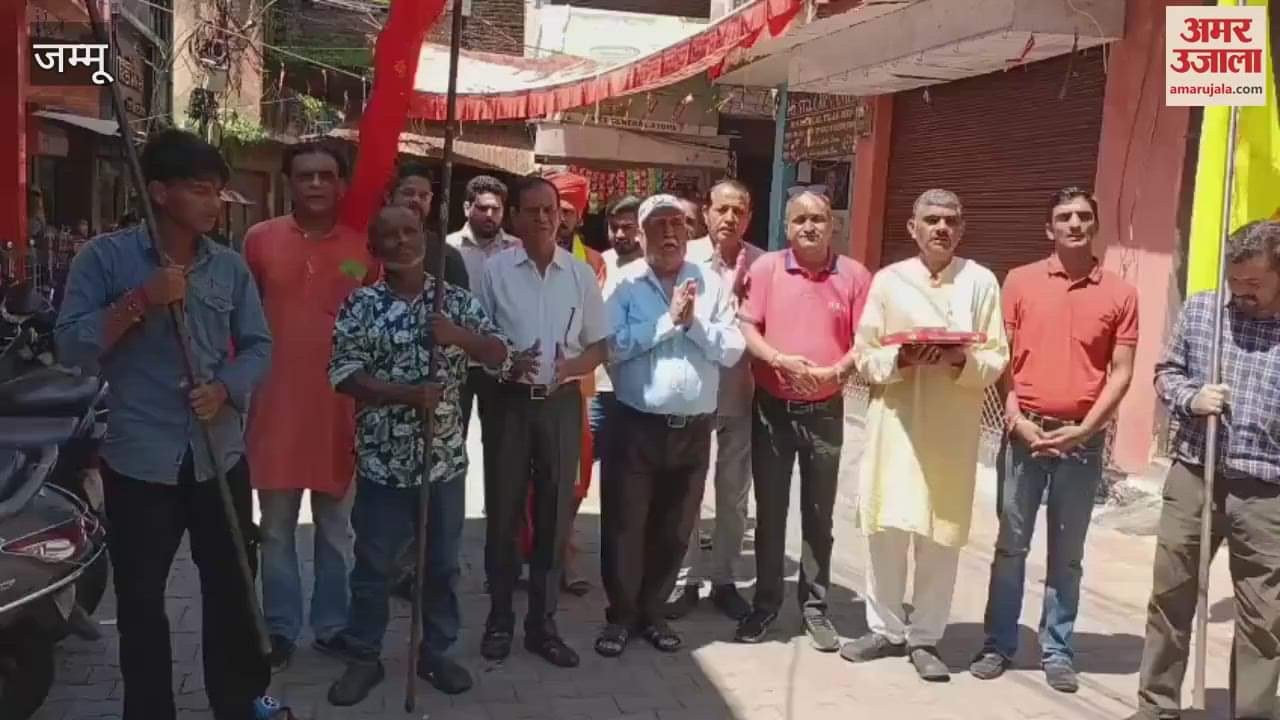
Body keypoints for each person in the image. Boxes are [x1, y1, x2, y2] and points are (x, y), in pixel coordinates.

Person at [54, 128, 277, 720]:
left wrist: (226, 387)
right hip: (140, 461)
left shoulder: (228, 268)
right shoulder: (104, 259)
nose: (213, 202)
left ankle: (237, 702)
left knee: (231, 589)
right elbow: (73, 349)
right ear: (158, 192)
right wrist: (139, 302)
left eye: (217, 191)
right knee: (142, 601)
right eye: (199, 190)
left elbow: (259, 346)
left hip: (218, 455)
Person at [323, 205, 510, 705]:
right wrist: (405, 394)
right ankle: (364, 656)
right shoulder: (360, 305)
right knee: (373, 566)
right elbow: (343, 374)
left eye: (410, 232)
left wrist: (458, 337)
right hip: (383, 465)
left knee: (443, 566)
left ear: (425, 241)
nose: (401, 241)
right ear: (375, 247)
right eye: (389, 234)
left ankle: (436, 653)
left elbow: (500, 355)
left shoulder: (455, 302)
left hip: (443, 463)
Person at [970, 189, 1138, 692]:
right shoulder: (1019, 281)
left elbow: (1123, 373)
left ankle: (1057, 649)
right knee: (1010, 547)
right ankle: (998, 643)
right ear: (1049, 229)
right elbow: (1002, 357)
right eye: (1064, 217)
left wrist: (1086, 430)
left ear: (1095, 226)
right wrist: (1015, 417)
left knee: (1067, 555)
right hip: (1024, 434)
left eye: (1084, 216)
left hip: (1081, 442)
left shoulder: (1120, 294)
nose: (1074, 224)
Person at [843, 189, 1008, 681]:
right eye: (931, 220)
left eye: (951, 220)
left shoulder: (981, 282)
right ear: (911, 228)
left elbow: (996, 356)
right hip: (895, 424)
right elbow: (865, 353)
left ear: (962, 228)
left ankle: (925, 638)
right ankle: (885, 628)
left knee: (941, 536)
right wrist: (901, 359)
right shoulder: (888, 281)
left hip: (953, 430)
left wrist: (959, 359)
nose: (941, 228)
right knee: (887, 529)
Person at [1127, 220, 1280, 720]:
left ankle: (1251, 713)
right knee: (1170, 595)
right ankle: (1156, 706)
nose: (1241, 294)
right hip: (1197, 473)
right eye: (1235, 282)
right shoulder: (1202, 311)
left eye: (1254, 284)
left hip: (1266, 490)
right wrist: (1193, 398)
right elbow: (1165, 374)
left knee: (1263, 616)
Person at [595, 193, 745, 658]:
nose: (669, 235)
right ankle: (621, 617)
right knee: (625, 524)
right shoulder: (622, 285)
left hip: (694, 429)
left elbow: (733, 347)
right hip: (634, 426)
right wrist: (667, 322)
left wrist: (693, 324)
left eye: (677, 225)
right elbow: (612, 347)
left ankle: (653, 613)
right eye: (657, 226)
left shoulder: (711, 284)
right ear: (640, 237)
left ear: (689, 232)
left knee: (675, 528)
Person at [242, 141, 370, 672]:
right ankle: (279, 628)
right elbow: (238, 325)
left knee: (337, 531)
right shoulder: (258, 241)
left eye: (325, 175)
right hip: (273, 411)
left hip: (342, 412)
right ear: (289, 182)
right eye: (305, 176)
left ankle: (333, 626)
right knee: (275, 531)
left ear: (341, 184)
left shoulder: (365, 248)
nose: (315, 185)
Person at [476, 176, 609, 668]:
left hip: (560, 403)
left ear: (562, 215)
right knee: (504, 512)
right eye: (530, 211)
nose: (541, 218)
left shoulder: (578, 274)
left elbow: (599, 344)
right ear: (514, 218)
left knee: (555, 513)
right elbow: (479, 335)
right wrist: (506, 361)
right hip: (508, 402)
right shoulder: (494, 272)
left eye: (549, 210)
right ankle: (499, 620)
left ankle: (543, 624)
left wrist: (569, 368)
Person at [733, 190, 872, 649]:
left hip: (827, 412)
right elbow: (747, 326)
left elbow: (865, 339)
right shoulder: (766, 269)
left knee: (819, 514)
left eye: (818, 219)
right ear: (786, 226)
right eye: (800, 220)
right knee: (771, 514)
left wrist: (838, 371)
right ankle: (766, 605)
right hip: (773, 408)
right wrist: (778, 360)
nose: (809, 227)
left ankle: (815, 608)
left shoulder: (854, 276)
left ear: (833, 225)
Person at [666, 179, 764, 622]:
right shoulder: (683, 261)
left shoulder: (764, 265)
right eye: (721, 209)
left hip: (741, 394)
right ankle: (683, 579)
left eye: (738, 211)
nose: (729, 218)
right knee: (686, 492)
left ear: (749, 217)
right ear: (706, 213)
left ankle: (724, 579)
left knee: (733, 494)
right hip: (692, 395)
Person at [589, 194, 646, 465]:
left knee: (627, 469)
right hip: (598, 386)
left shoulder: (656, 268)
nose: (620, 234)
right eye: (614, 227)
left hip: (638, 389)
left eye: (628, 227)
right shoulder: (599, 263)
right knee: (581, 461)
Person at [387, 162, 469, 288]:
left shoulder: (447, 257)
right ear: (389, 197)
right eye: (408, 193)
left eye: (423, 196)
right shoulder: (367, 245)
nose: (416, 200)